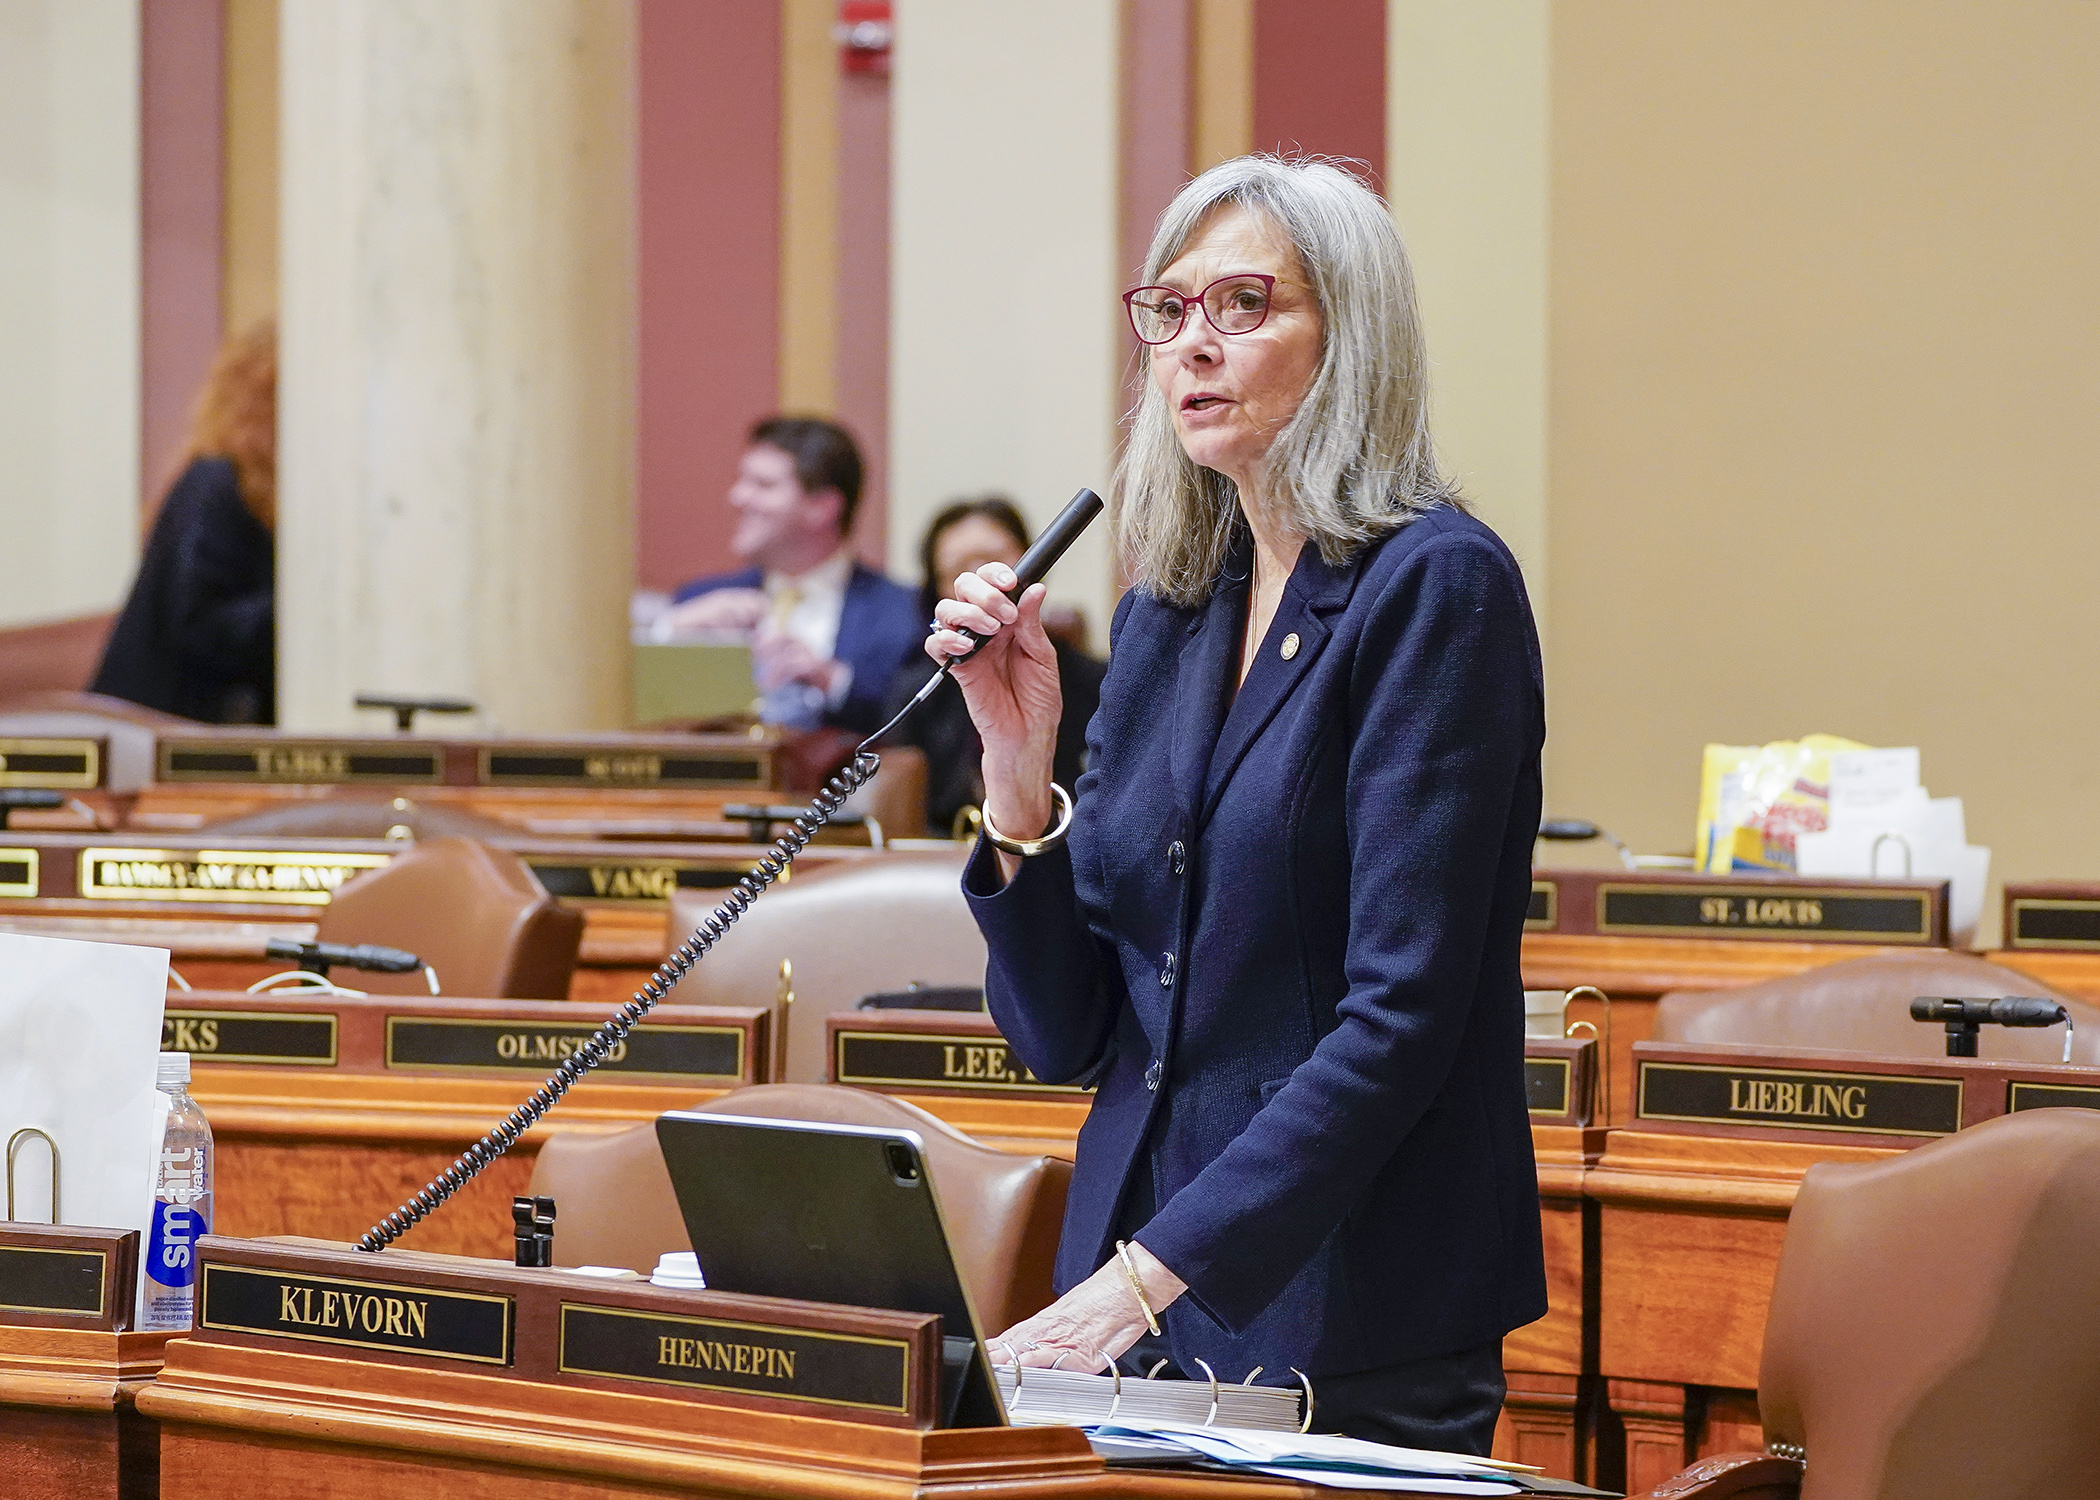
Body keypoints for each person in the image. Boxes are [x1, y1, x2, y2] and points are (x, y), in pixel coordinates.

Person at [926, 156, 1547, 1452]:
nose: (1193, 347)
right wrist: (1014, 770)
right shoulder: (1174, 606)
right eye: (1170, 310)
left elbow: (1404, 1019)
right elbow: (1070, 1033)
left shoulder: (1437, 590)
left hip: (1347, 1315)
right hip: (1136, 1309)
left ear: (1351, 338)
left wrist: (1151, 1274)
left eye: (1245, 305)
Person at [665, 417, 920, 735]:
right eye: (743, 481)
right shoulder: (697, 600)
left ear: (823, 507)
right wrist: (668, 634)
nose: (738, 497)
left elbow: (921, 728)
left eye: (763, 485)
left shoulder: (901, 612)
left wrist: (832, 681)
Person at [881, 498, 1105, 836]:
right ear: (939, 590)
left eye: (995, 561)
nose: (981, 581)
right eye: (958, 569)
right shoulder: (916, 690)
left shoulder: (1098, 681)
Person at [94, 323, 278, 723]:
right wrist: (302, 611)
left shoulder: (246, 490)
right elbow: (201, 626)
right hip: (160, 732)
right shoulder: (216, 483)